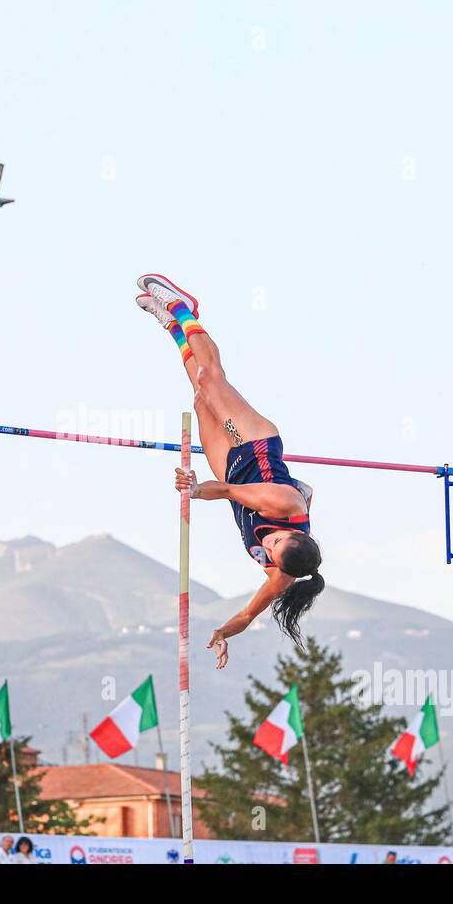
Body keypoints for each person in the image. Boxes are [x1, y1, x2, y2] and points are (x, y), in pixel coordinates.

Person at [137, 274, 323, 669]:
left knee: (200, 396)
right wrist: (192, 489)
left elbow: (247, 615)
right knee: (210, 379)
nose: (267, 551)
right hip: (252, 445)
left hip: (233, 471)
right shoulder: (282, 504)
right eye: (274, 547)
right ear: (291, 531)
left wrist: (223, 632)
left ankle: (171, 326)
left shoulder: (282, 574)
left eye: (269, 553)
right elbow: (223, 492)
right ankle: (182, 307)